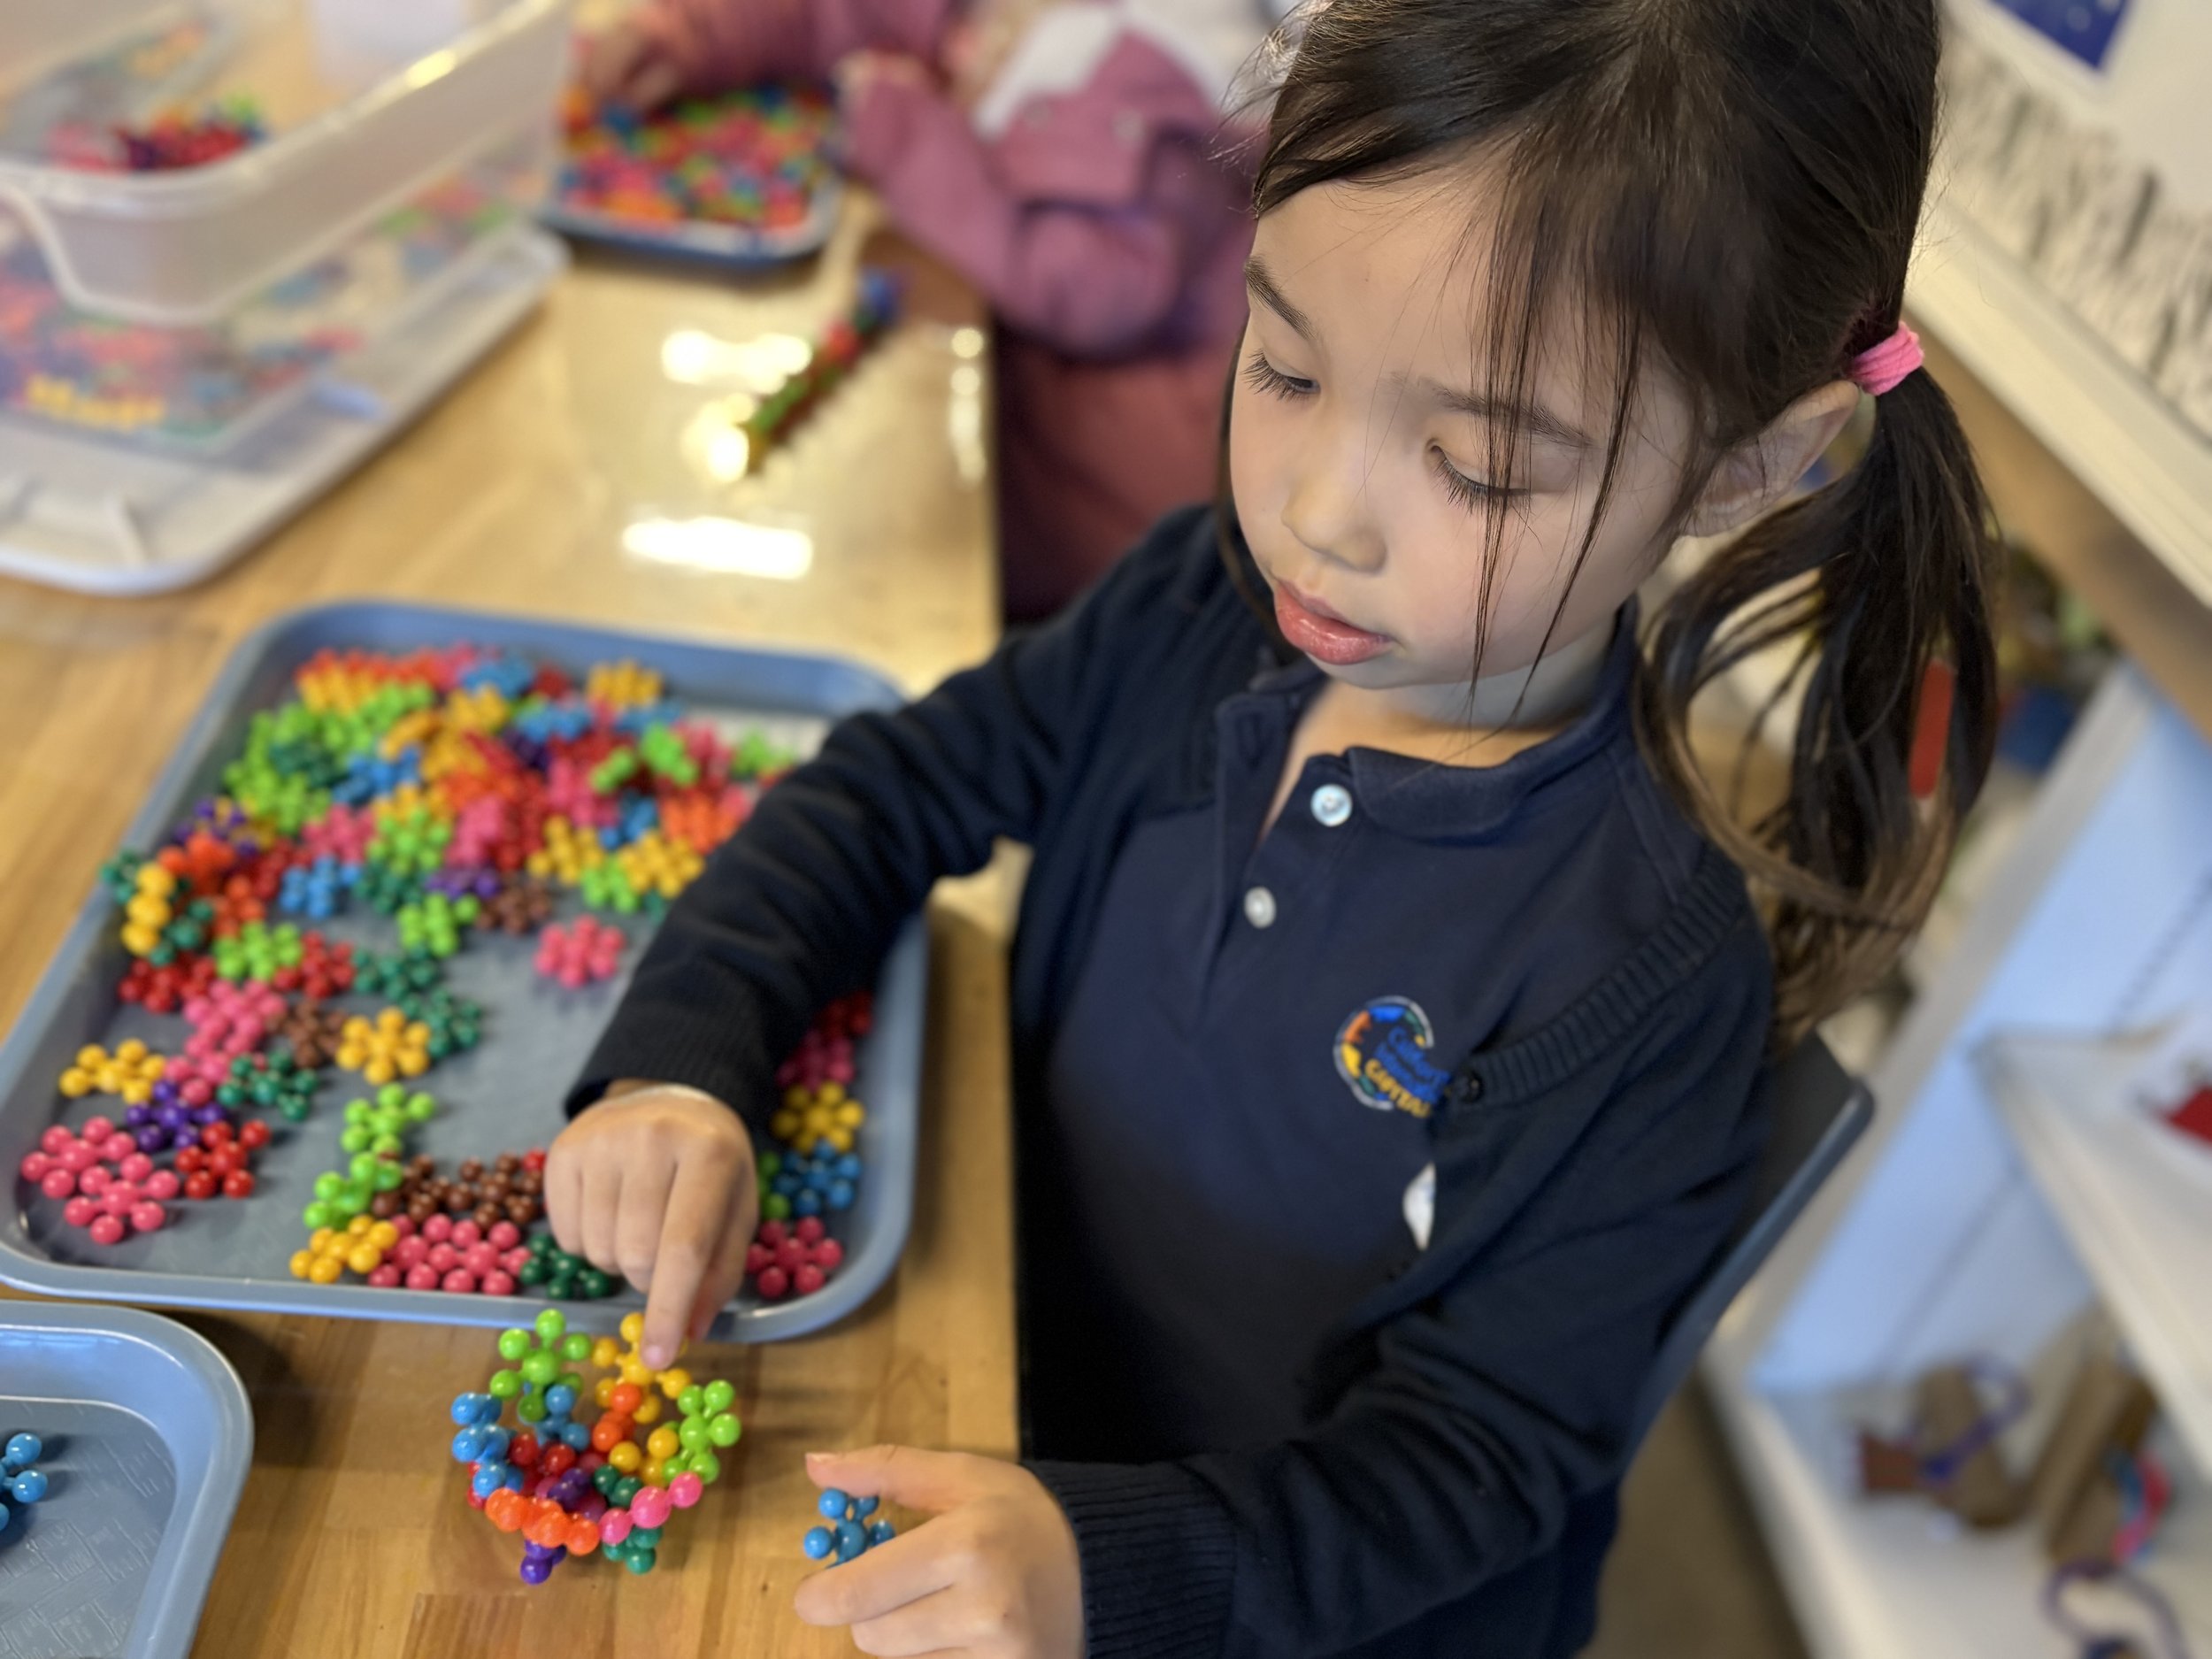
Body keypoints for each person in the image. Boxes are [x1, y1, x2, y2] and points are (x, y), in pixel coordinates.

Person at [547, 0, 2001, 1651]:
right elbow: (895, 785)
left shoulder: (1643, 977)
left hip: (1246, 1591)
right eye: (1288, 363)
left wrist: (1111, 1563)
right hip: (987, 1364)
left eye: (1476, 464)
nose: (1315, 514)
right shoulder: (1200, 605)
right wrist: (683, 1058)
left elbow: (1478, 1457)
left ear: (1745, 471)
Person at [587, 0, 1281, 619]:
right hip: (1012, 381)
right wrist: (685, 34)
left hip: (1116, 492)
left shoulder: (1160, 67)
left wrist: (907, 138)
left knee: (870, 529)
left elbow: (1090, 293)